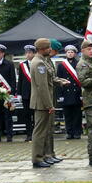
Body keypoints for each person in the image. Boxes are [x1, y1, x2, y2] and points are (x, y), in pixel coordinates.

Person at [30, 38, 67, 168]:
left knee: (44, 131)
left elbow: (49, 80)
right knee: (40, 132)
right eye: (48, 48)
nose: (50, 50)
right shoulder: (39, 63)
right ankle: (37, 158)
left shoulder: (41, 61)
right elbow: (42, 86)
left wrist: (60, 81)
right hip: (42, 103)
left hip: (43, 102)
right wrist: (49, 105)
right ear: (42, 49)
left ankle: (44, 156)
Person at [56, 44, 83, 139]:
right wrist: (60, 95)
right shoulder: (61, 66)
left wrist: (81, 94)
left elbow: (81, 79)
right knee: (67, 114)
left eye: (72, 52)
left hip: (76, 93)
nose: (70, 54)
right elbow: (58, 81)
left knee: (77, 114)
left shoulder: (79, 64)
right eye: (68, 52)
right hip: (66, 93)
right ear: (66, 53)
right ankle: (69, 132)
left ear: (75, 54)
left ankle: (77, 132)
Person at [18, 44, 36, 141]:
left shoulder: (37, 63)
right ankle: (29, 134)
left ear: (34, 53)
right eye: (26, 53)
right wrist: (19, 93)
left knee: (35, 115)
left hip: (35, 93)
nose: (28, 54)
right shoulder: (22, 65)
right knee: (27, 115)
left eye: (30, 52)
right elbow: (20, 79)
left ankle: (36, 134)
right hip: (25, 94)